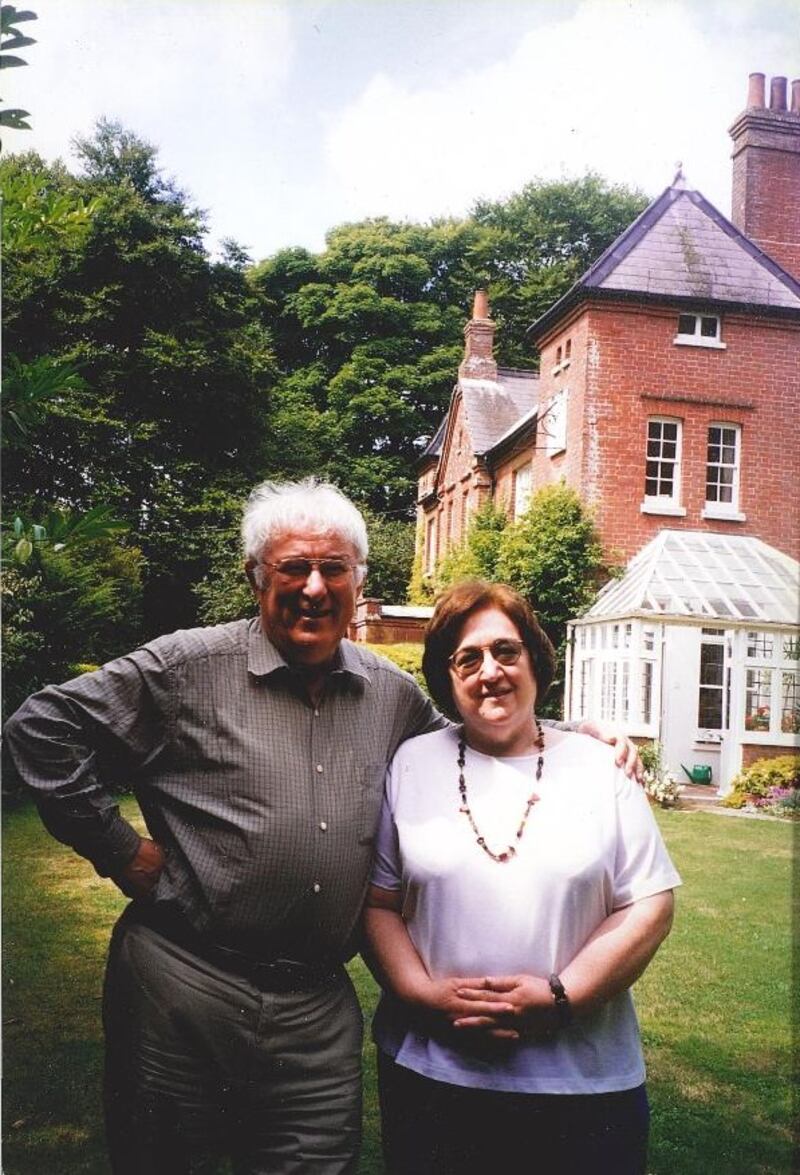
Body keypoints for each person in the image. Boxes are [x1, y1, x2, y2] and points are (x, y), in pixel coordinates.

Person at [4, 479, 642, 1175]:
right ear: (256, 577)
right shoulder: (189, 668)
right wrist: (119, 849)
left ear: (358, 581)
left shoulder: (389, 694)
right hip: (183, 985)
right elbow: (42, 727)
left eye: (333, 568)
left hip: (316, 1007)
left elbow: (477, 731)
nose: (314, 587)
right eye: (293, 567)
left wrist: (570, 735)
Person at [365, 579, 681, 1175]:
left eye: (506, 651)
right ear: (447, 678)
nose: (490, 671)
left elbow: (649, 905)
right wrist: (422, 996)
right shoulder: (411, 763)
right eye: (468, 658)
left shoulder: (600, 766)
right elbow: (379, 903)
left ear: (535, 659)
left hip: (583, 1082)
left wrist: (564, 997)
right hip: (433, 1074)